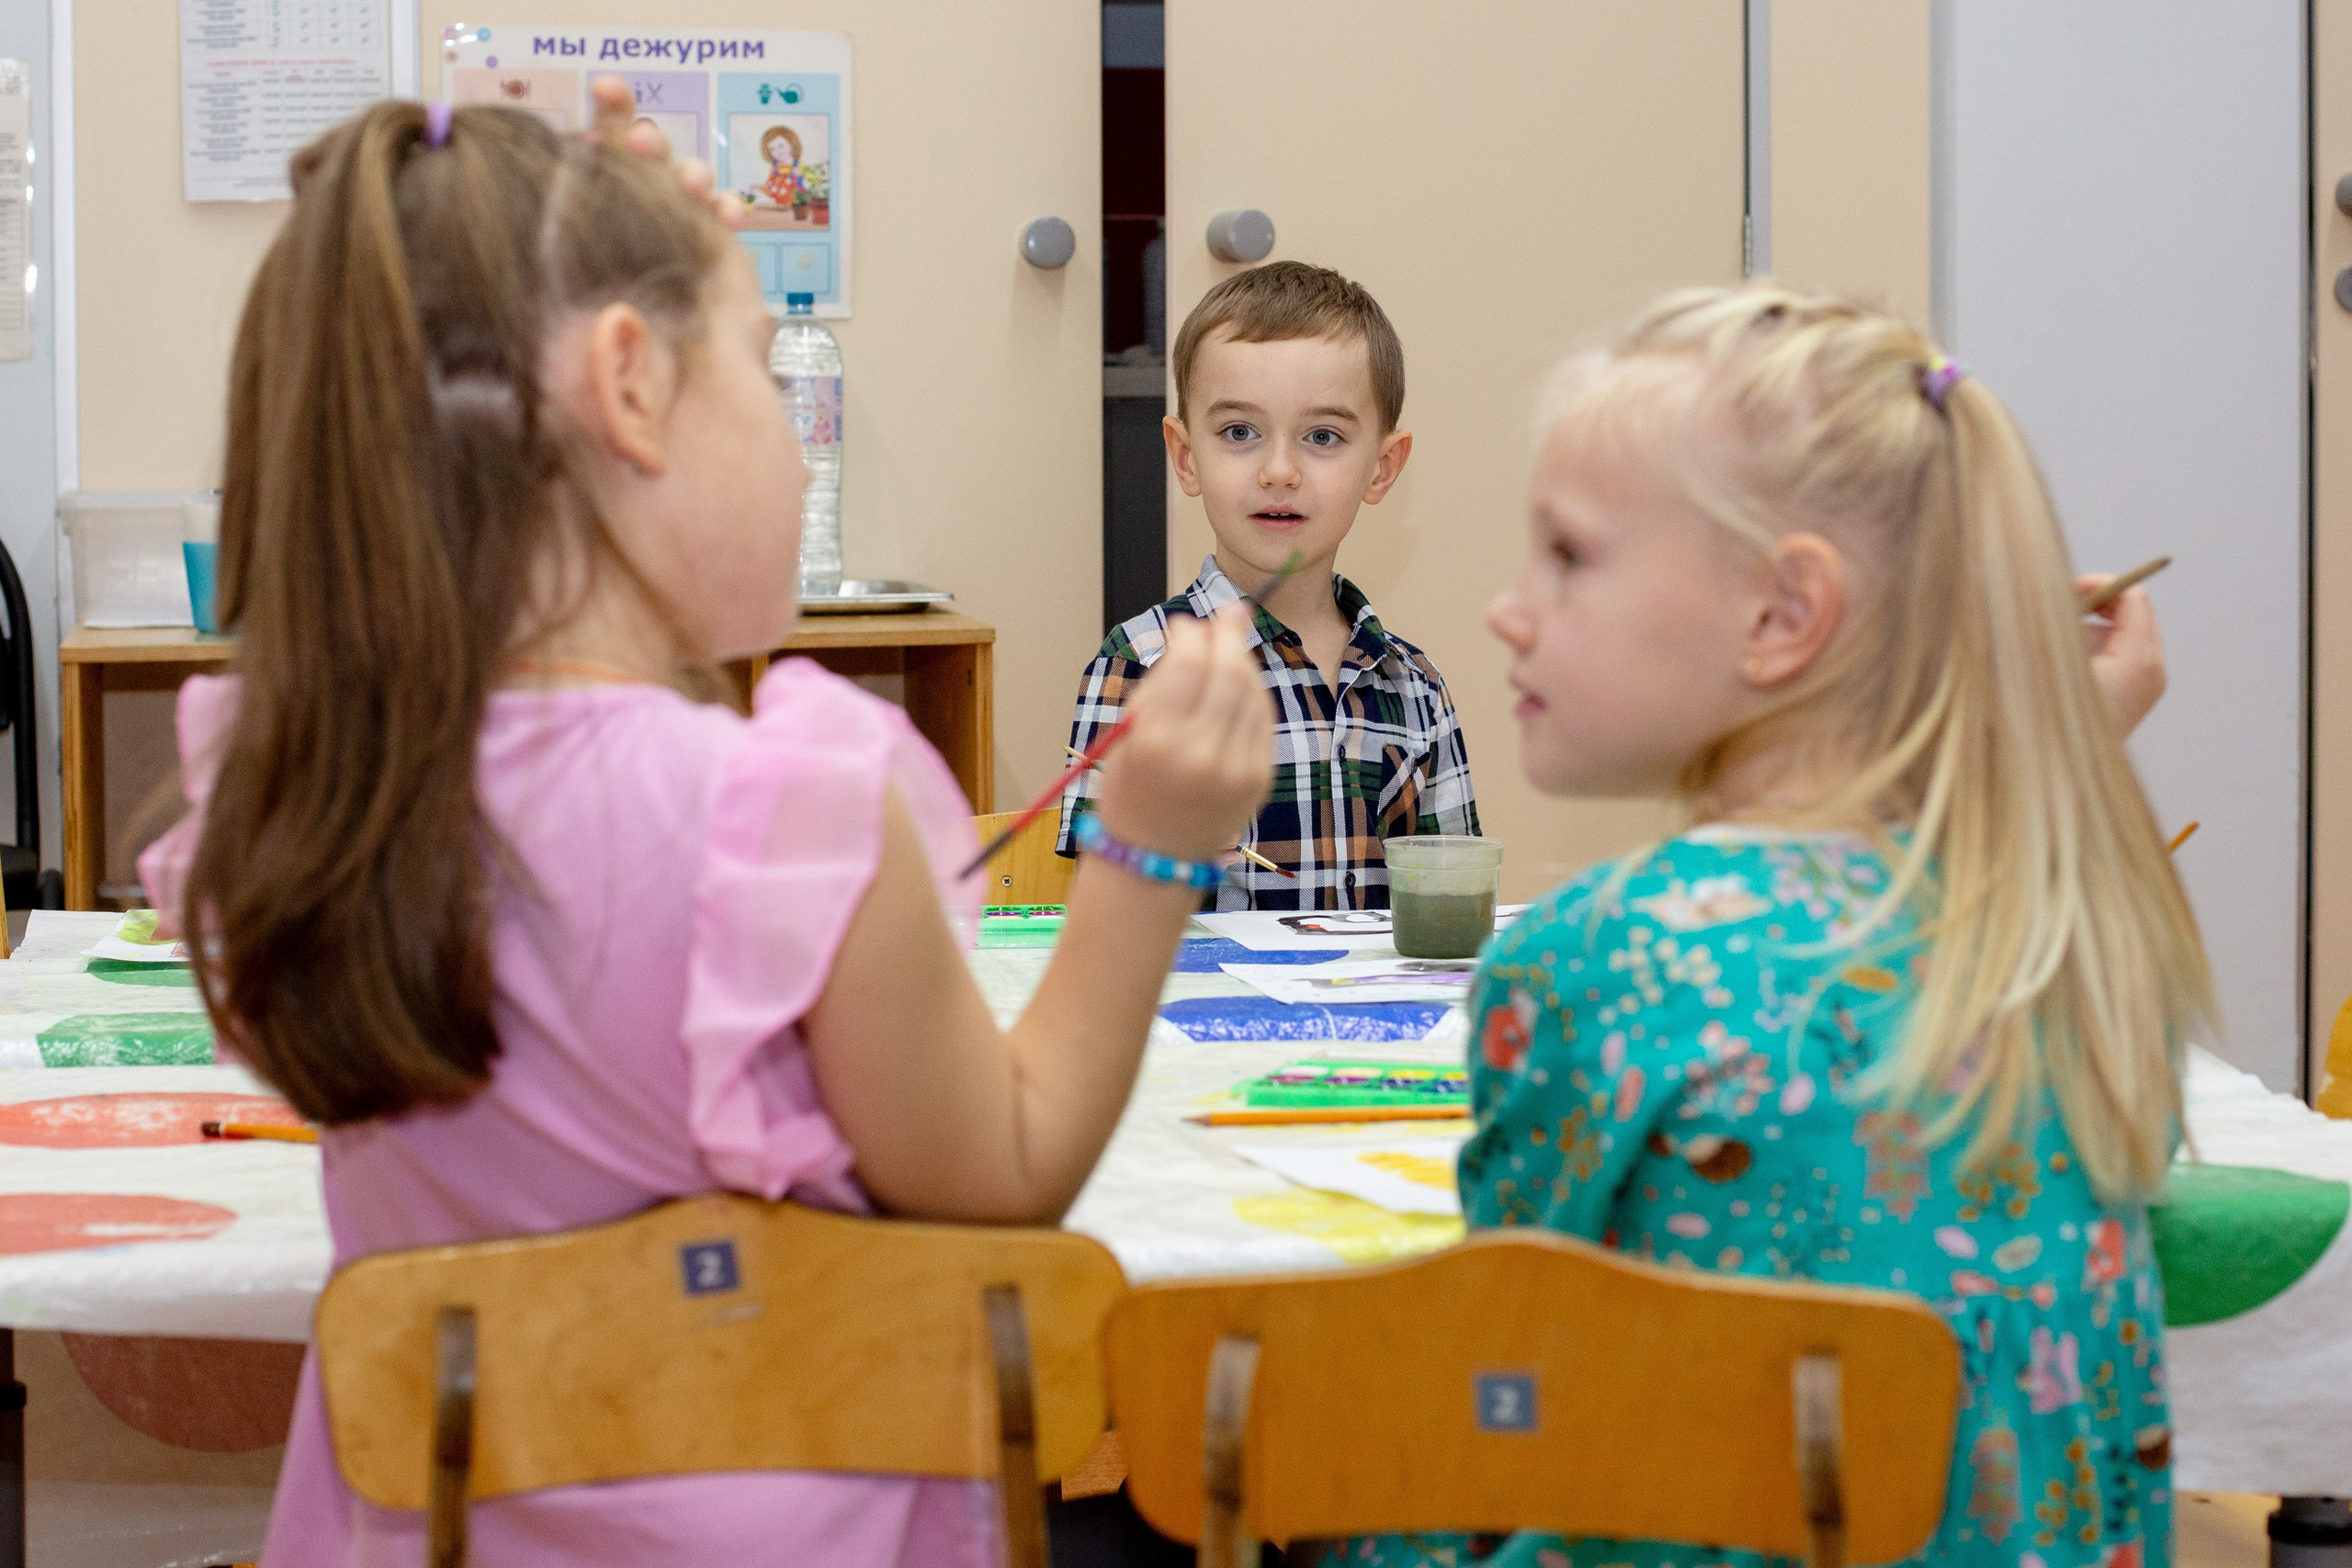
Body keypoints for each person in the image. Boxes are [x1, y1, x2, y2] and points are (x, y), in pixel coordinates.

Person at [138, 81, 1272, 1568]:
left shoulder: (296, 778)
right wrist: (1152, 848)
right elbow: (1006, 1170)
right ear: (629, 388)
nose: (802, 450)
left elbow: (577, 728)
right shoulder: (790, 805)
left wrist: (638, 272)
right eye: (761, 370)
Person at [1322, 284, 2208, 1568]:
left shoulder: (1600, 958)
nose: (1510, 609)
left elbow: (1495, 1409)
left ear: (1784, 614)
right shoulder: (2070, 925)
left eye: (1568, 555)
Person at [1058, 261, 1479, 910]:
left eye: (1322, 436)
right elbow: (1097, 901)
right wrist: (1165, 847)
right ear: (1185, 456)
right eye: (1239, 433)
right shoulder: (1142, 664)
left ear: (1382, 467)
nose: (1279, 471)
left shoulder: (1414, 686)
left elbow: (1452, 899)